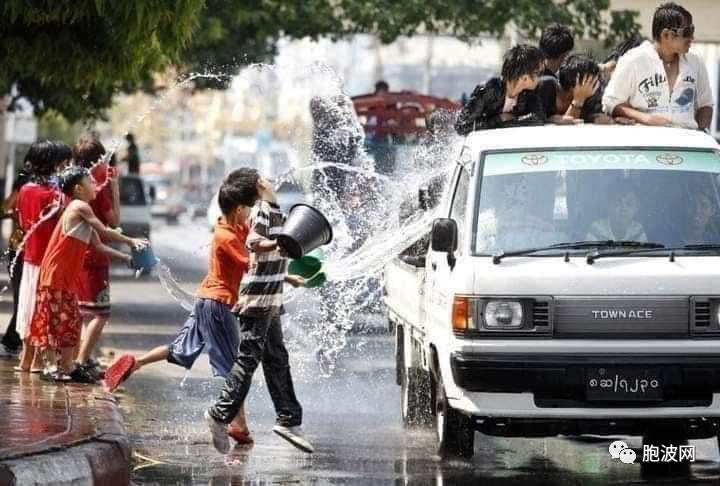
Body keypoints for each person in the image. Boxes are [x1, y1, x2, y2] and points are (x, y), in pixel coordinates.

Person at [104, 169, 257, 444]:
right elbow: (251, 263)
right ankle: (237, 424)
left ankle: (135, 363)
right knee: (237, 368)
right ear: (237, 209)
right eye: (247, 208)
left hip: (206, 302)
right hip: (218, 305)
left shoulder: (234, 226)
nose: (250, 213)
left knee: (179, 350)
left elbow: (255, 237)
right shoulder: (226, 235)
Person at [204, 175, 309, 455]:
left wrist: (286, 274)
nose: (270, 181)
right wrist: (275, 245)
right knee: (249, 359)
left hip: (271, 298)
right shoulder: (264, 210)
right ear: (260, 188)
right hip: (257, 301)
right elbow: (254, 242)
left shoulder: (273, 209)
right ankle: (219, 413)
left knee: (277, 358)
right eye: (264, 180)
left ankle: (288, 420)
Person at [29, 166, 147, 383]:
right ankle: (51, 367)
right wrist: (131, 241)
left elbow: (100, 246)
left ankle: (67, 366)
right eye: (90, 182)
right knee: (55, 322)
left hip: (65, 277)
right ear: (78, 189)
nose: (95, 185)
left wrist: (128, 259)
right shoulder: (79, 206)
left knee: (70, 321)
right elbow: (104, 230)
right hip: (55, 275)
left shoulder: (81, 210)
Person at [602, 2, 713, 130]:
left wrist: (700, 133)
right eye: (687, 32)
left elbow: (706, 105)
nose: (692, 37)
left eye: (692, 30)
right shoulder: (633, 60)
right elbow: (610, 102)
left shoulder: (696, 62)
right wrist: (646, 118)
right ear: (666, 35)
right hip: (646, 144)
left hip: (686, 145)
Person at [15, 142, 71, 372]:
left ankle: (26, 359)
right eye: (64, 163)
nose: (66, 167)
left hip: (29, 259)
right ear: (55, 164)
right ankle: (36, 360)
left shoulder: (25, 190)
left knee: (27, 308)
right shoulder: (56, 195)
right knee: (42, 310)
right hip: (49, 262)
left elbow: (21, 222)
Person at [71, 136, 120, 378]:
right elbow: (113, 221)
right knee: (100, 313)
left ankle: (81, 358)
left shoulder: (74, 184)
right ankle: (80, 361)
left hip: (75, 254)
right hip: (95, 257)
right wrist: (114, 187)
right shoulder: (98, 188)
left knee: (81, 312)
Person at [455, 44, 546, 135]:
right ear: (524, 77)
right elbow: (461, 126)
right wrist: (499, 119)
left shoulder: (530, 93)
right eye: (539, 73)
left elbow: (539, 118)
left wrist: (508, 122)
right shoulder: (488, 90)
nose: (541, 77)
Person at [1, 168, 32, 355]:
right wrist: (14, 213)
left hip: (30, 250)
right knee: (22, 298)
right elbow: (4, 209)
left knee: (24, 298)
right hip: (20, 250)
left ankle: (15, 340)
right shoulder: (24, 185)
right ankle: (12, 340)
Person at [536, 54, 613, 124]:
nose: (597, 84)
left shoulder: (592, 97)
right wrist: (578, 100)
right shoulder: (544, 87)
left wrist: (595, 118)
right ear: (577, 81)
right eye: (592, 81)